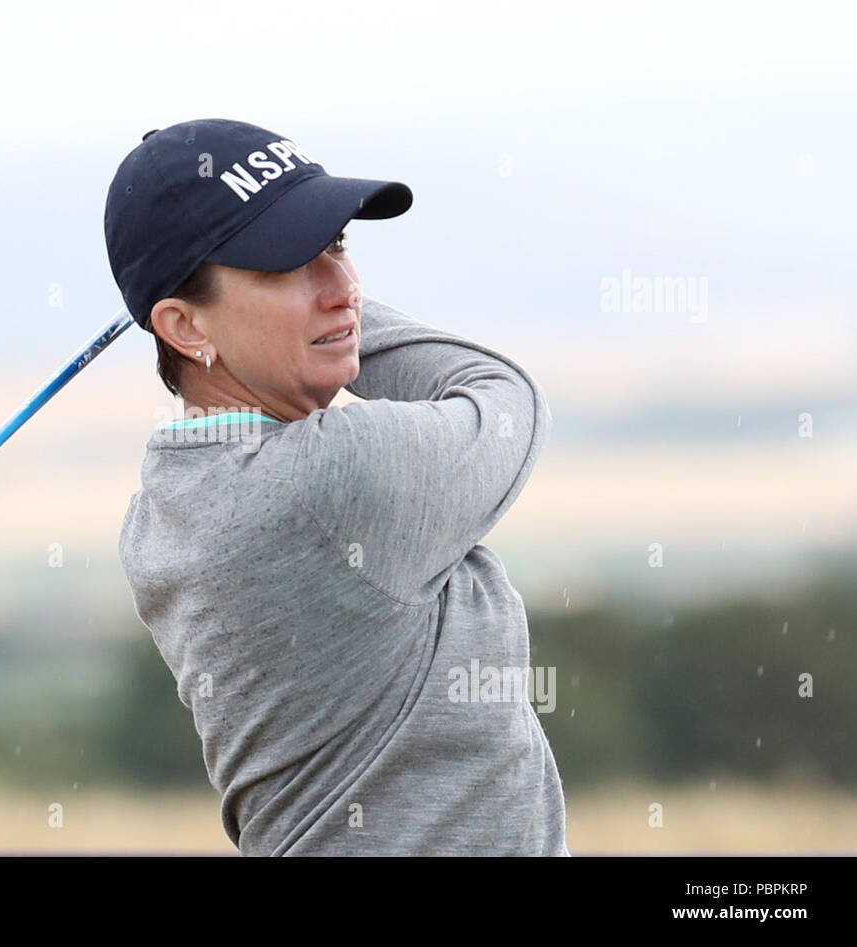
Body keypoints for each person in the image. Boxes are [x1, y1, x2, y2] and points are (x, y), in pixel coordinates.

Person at [105, 118, 569, 856]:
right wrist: (342, 325)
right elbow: (506, 399)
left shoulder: (159, 510)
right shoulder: (332, 482)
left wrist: (270, 313)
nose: (345, 286)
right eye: (288, 262)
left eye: (339, 244)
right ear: (184, 325)